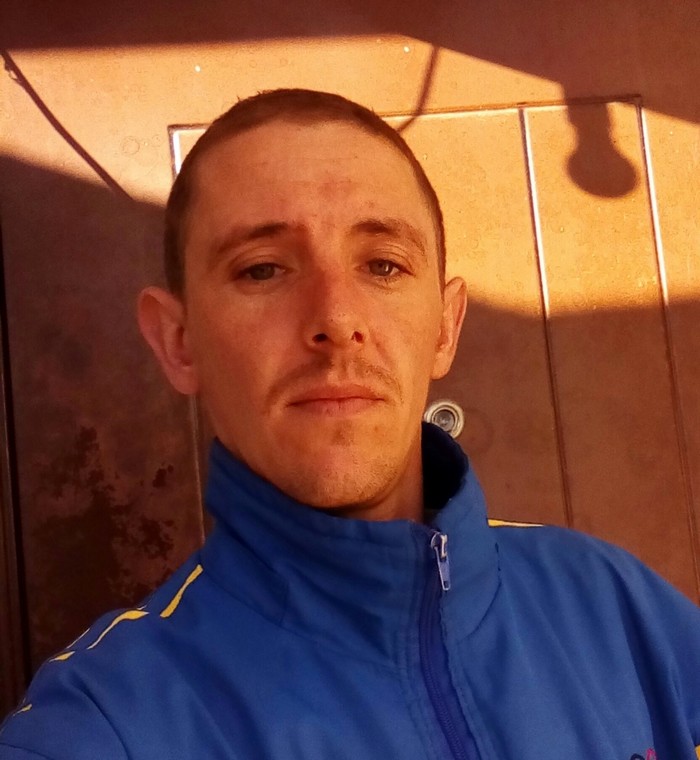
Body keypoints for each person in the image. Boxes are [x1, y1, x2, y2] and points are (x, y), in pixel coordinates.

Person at [1, 88, 699, 760]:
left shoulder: (613, 604)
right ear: (178, 341)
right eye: (263, 270)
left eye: (384, 265)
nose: (336, 319)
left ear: (445, 328)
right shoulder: (109, 720)